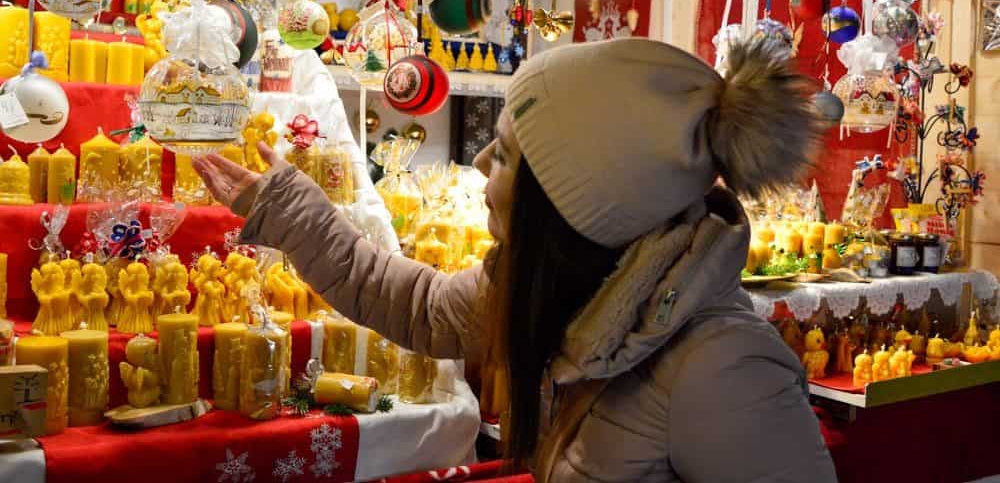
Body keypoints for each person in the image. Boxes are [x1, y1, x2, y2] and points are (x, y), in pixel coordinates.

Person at [194, 38, 838, 482]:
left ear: (573, 201)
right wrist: (285, 206)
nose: (478, 166)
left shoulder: (724, 369)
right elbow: (413, 304)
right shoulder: (557, 285)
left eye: (501, 155)